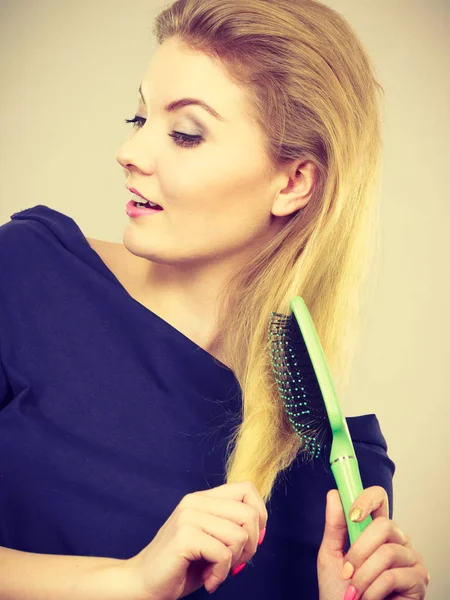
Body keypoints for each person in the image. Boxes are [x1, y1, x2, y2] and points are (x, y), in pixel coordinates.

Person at [0, 0, 430, 599]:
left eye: (184, 134)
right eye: (139, 118)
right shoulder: (24, 278)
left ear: (292, 182)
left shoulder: (341, 481)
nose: (131, 153)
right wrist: (127, 583)